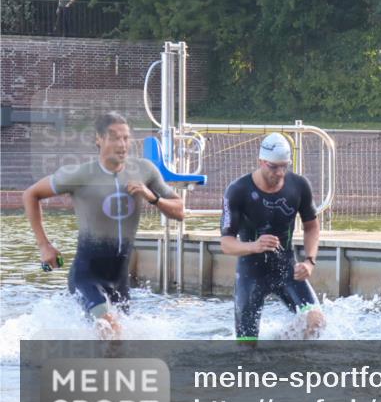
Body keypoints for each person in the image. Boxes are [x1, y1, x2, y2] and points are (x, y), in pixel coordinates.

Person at [22, 111, 185, 338]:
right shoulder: (80, 174)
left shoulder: (144, 170)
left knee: (117, 342)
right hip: (86, 276)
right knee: (113, 333)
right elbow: (31, 194)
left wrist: (152, 197)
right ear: (98, 139)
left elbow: (180, 211)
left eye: (126, 138)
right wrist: (44, 245)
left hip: (119, 280)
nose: (122, 144)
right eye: (114, 138)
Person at [220, 133, 325, 341]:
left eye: (284, 166)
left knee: (317, 322)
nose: (280, 173)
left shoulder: (298, 186)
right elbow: (226, 244)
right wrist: (254, 246)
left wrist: (310, 261)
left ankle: (288, 359)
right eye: (274, 167)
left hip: (286, 270)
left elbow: (311, 226)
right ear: (261, 162)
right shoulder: (238, 190)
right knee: (246, 344)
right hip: (251, 274)